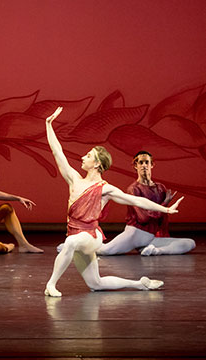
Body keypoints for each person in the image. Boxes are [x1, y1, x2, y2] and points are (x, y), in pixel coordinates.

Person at [44, 107, 183, 297]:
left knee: (70, 243)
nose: (83, 157)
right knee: (96, 283)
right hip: (75, 233)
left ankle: (50, 285)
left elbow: (136, 200)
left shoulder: (105, 189)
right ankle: (140, 284)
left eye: (88, 156)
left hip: (90, 236)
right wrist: (48, 124)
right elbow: (57, 152)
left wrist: (165, 210)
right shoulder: (74, 179)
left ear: (97, 164)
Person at [97, 151, 195, 256]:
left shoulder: (160, 188)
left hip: (149, 238)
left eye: (147, 162)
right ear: (136, 166)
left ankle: (154, 251)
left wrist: (162, 235)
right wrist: (165, 204)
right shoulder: (134, 189)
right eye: (141, 162)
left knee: (190, 243)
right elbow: (143, 218)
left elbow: (163, 219)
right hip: (135, 234)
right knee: (104, 251)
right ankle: (88, 243)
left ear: (151, 165)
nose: (144, 165)